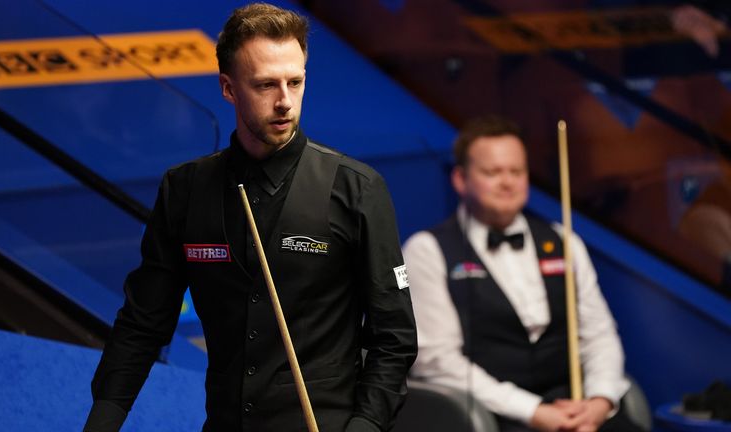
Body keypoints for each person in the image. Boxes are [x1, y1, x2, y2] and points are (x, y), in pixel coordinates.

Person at [83, 3, 417, 431]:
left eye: (295, 83)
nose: (285, 102)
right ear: (228, 88)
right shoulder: (185, 190)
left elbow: (394, 338)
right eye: (265, 85)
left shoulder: (356, 188)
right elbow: (143, 322)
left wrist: (366, 426)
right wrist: (103, 420)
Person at [403, 116, 643, 432]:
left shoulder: (563, 240)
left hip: (579, 411)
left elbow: (598, 334)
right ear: (461, 179)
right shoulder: (427, 251)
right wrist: (534, 412)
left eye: (516, 171)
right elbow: (438, 362)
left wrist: (599, 402)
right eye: (492, 172)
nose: (507, 182)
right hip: (500, 417)